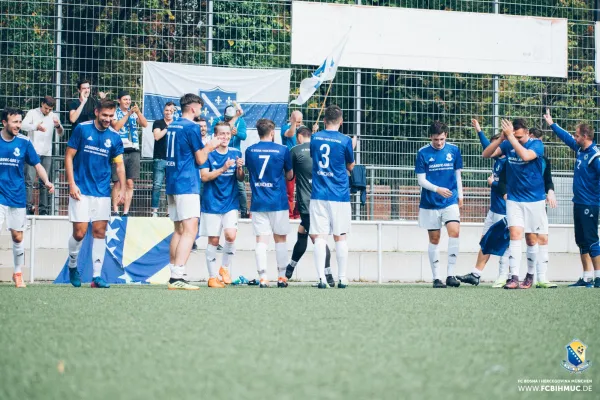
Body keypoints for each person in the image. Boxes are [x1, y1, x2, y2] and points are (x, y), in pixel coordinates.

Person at [64, 99, 125, 289]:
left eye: (111, 116)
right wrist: (71, 184)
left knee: (100, 232)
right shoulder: (82, 129)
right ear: (97, 112)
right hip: (81, 189)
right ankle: (72, 265)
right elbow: (68, 156)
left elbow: (119, 164)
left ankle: (97, 277)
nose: (108, 119)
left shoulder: (115, 137)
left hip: (102, 192)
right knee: (80, 232)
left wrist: (122, 188)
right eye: (105, 115)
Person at [482, 118, 546, 289]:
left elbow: (525, 156)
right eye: (514, 137)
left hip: (534, 200)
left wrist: (511, 138)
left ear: (527, 132)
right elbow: (486, 154)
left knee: (531, 239)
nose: (515, 140)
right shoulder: (507, 142)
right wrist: (501, 139)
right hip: (514, 199)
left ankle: (530, 275)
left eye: (519, 137)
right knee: (515, 236)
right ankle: (514, 277)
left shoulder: (536, 145)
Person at [165, 93, 219, 290]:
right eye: (200, 108)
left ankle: (174, 272)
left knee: (178, 230)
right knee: (190, 230)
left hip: (172, 182)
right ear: (194, 108)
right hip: (186, 183)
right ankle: (177, 276)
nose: (201, 112)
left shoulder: (173, 125)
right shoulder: (192, 127)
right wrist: (211, 146)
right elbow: (200, 160)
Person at [544, 109, 600, 288]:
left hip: (590, 204)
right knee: (581, 240)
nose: (574, 138)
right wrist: (552, 124)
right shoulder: (580, 149)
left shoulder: (595, 155)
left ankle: (598, 277)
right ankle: (586, 278)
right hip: (578, 202)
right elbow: (566, 137)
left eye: (577, 135)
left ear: (585, 136)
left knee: (592, 240)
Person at [1, 107, 54, 288]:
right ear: (4, 123)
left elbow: (37, 164)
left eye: (19, 122)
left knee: (17, 237)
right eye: (14, 122)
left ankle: (17, 272)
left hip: (16, 196)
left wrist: (46, 181)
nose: (18, 125)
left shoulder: (24, 142)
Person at [457, 119, 507, 287]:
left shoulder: (509, 162)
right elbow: (487, 146)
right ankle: (476, 274)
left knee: (502, 244)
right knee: (485, 240)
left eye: (496, 147)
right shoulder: (498, 160)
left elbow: (508, 188)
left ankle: (504, 276)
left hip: (504, 210)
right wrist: (479, 130)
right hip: (493, 210)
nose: (492, 149)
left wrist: (492, 183)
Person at [310, 105, 355, 289]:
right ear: (341, 121)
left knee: (320, 237)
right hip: (339, 194)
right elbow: (350, 166)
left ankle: (321, 278)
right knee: (340, 236)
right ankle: (342, 278)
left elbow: (315, 157)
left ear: (324, 120)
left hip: (319, 193)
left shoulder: (314, 137)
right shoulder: (345, 141)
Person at [245, 118, 293, 288]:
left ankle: (263, 277)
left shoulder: (250, 151)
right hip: (278, 202)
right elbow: (289, 175)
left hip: (259, 202)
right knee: (280, 239)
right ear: (272, 133)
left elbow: (250, 172)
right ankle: (281, 277)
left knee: (261, 240)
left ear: (258, 132)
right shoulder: (282, 150)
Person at [285, 125, 335, 286]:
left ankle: (327, 275)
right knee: (302, 231)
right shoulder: (321, 149)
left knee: (317, 238)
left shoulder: (295, 150)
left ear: (299, 136)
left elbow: (290, 176)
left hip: (308, 202)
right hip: (324, 199)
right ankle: (290, 269)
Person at [415, 121, 463, 288]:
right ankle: (437, 278)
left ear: (446, 136)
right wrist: (437, 189)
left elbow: (457, 175)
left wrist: (461, 195)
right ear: (431, 137)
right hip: (431, 202)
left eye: (442, 139)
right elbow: (421, 180)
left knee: (454, 232)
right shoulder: (422, 153)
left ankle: (451, 274)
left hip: (450, 200)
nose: (439, 143)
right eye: (436, 139)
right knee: (434, 239)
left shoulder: (454, 150)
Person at [199, 122, 244, 288]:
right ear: (215, 136)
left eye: (227, 134)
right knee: (214, 240)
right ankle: (212, 277)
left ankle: (224, 268)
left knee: (231, 236)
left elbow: (240, 178)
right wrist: (223, 169)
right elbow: (204, 177)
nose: (225, 137)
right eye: (221, 134)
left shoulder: (236, 152)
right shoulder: (208, 155)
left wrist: (239, 169)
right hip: (211, 202)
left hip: (230, 202)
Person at [21, 96, 64, 215]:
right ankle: (27, 208)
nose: (47, 111)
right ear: (42, 104)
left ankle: (44, 209)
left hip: (47, 153)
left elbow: (61, 134)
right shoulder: (32, 113)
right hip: (32, 152)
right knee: (29, 180)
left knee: (45, 182)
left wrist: (58, 126)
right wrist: (36, 127)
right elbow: (22, 125)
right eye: (46, 108)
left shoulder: (53, 116)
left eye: (50, 109)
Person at [528, 127, 558, 288]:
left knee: (543, 237)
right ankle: (516, 276)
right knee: (528, 239)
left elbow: (548, 180)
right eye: (535, 142)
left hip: (539, 203)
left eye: (540, 143)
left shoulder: (544, 160)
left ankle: (542, 277)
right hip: (520, 202)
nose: (538, 146)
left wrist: (551, 192)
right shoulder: (518, 155)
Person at [111, 90, 148, 216]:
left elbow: (144, 124)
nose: (128, 102)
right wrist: (128, 114)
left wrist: (137, 112)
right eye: (125, 99)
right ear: (119, 101)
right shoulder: (115, 113)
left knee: (130, 182)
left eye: (129, 100)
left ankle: (126, 212)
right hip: (119, 149)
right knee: (116, 181)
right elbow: (116, 126)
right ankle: (115, 210)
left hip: (134, 149)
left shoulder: (134, 113)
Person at [213, 104, 248, 218]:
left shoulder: (240, 121)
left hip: (234, 154)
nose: (227, 119)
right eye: (226, 117)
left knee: (240, 185)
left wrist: (236, 133)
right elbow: (213, 132)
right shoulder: (218, 120)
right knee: (216, 180)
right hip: (219, 153)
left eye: (230, 117)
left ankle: (244, 211)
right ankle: (215, 207)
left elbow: (244, 136)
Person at [151, 102, 175, 217]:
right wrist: (168, 128)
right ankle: (154, 211)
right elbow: (157, 136)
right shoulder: (158, 123)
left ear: (174, 112)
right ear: (163, 111)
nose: (168, 112)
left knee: (170, 186)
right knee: (157, 185)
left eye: (171, 110)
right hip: (159, 158)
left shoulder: (177, 124)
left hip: (173, 160)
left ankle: (169, 212)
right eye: (167, 110)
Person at [281, 111, 302, 219]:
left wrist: (312, 131)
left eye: (300, 121)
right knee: (289, 190)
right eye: (297, 121)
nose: (299, 123)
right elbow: (290, 134)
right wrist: (293, 123)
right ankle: (289, 214)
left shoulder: (302, 129)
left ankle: (298, 213)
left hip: (301, 162)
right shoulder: (285, 127)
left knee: (302, 189)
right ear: (292, 119)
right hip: (289, 162)